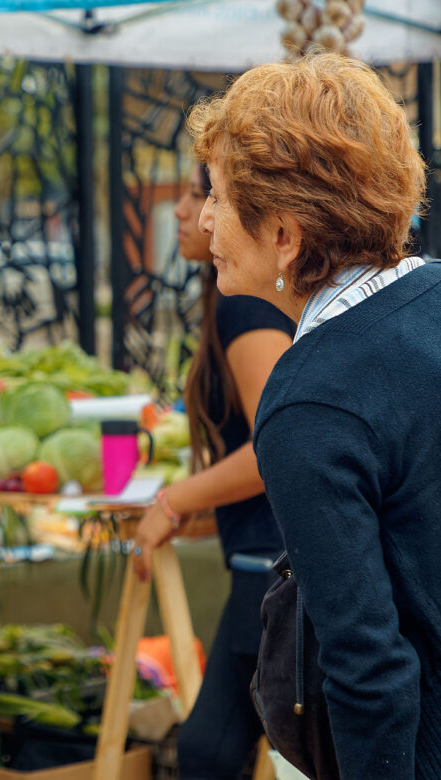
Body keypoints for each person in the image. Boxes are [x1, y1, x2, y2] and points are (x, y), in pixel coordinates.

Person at [190, 51, 441, 777]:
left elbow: (365, 665)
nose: (203, 220)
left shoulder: (307, 399)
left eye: (219, 198)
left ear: (285, 235)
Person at [129, 163, 293, 778]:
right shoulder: (239, 300)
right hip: (272, 561)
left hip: (277, 564)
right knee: (218, 747)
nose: (184, 212)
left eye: (203, 195)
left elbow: (276, 444)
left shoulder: (245, 310)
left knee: (210, 750)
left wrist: (176, 500)